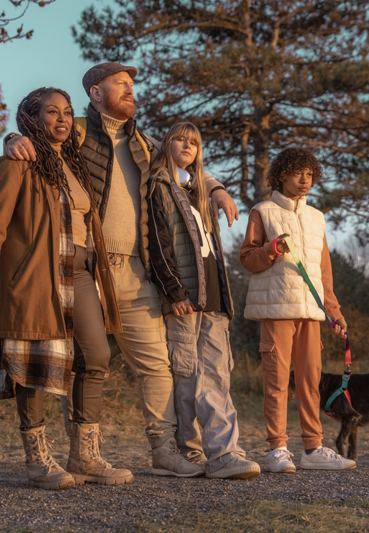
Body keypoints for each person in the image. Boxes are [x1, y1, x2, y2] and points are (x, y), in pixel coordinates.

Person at [5, 63, 239, 477]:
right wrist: (12, 139)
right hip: (85, 266)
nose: (131, 90)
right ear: (96, 92)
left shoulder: (144, 143)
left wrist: (216, 188)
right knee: (80, 358)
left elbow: (185, 165)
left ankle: (164, 450)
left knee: (156, 365)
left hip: (136, 270)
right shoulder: (74, 130)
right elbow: (37, 137)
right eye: (122, 85)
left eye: (132, 85)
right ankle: (79, 455)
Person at [0, 87, 133, 489]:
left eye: (67, 112)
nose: (62, 119)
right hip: (36, 276)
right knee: (36, 365)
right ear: (32, 118)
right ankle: (38, 461)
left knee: (95, 356)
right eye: (51, 112)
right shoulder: (17, 163)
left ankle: (85, 456)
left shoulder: (74, 163)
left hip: (81, 272)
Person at [146, 122, 261, 480]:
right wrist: (174, 291)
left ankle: (225, 453)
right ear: (166, 145)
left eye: (194, 143)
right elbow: (157, 242)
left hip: (213, 300)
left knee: (215, 375)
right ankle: (190, 452)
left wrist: (217, 189)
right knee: (186, 378)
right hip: (184, 299)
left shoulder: (200, 192)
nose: (187, 145)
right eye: (180, 139)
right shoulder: (158, 187)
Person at [239, 147, 355, 473]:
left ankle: (312, 448)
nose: (304, 179)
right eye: (297, 173)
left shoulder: (316, 217)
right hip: (277, 310)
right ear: (281, 175)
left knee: (310, 382)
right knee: (277, 382)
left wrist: (335, 312)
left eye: (309, 174)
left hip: (311, 314)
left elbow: (324, 272)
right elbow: (247, 258)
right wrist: (271, 250)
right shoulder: (262, 211)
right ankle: (277, 449)